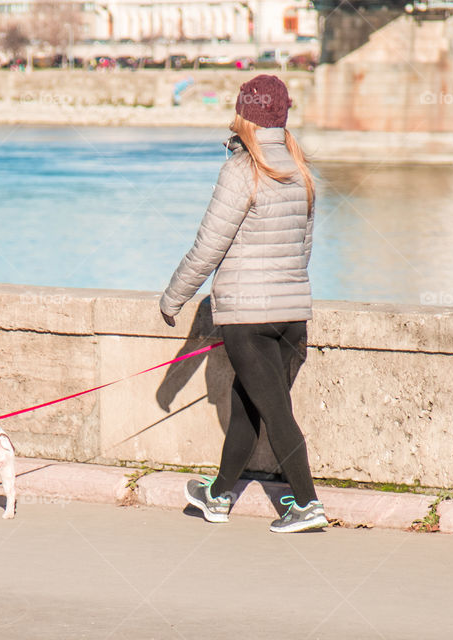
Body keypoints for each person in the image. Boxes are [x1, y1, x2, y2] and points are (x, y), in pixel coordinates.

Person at [159, 75, 328, 533]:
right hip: (291, 316)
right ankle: (217, 496)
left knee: (275, 414)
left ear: (244, 115)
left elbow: (208, 245)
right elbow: (303, 247)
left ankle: (308, 506)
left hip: (247, 319)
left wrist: (175, 296)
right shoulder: (298, 165)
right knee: (247, 407)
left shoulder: (242, 168)